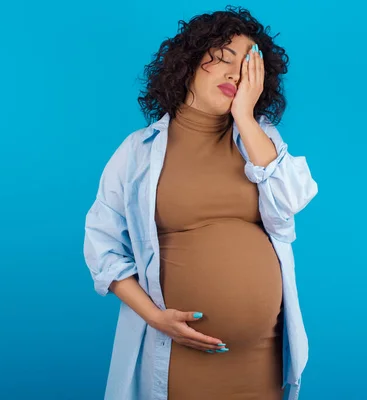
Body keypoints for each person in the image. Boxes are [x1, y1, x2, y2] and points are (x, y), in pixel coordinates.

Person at [83, 6, 318, 400]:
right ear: (189, 63)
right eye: (224, 60)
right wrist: (155, 318)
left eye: (246, 68)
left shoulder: (261, 141)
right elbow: (102, 247)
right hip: (178, 354)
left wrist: (244, 115)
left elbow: (292, 200)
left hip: (261, 360)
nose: (233, 74)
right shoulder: (137, 152)